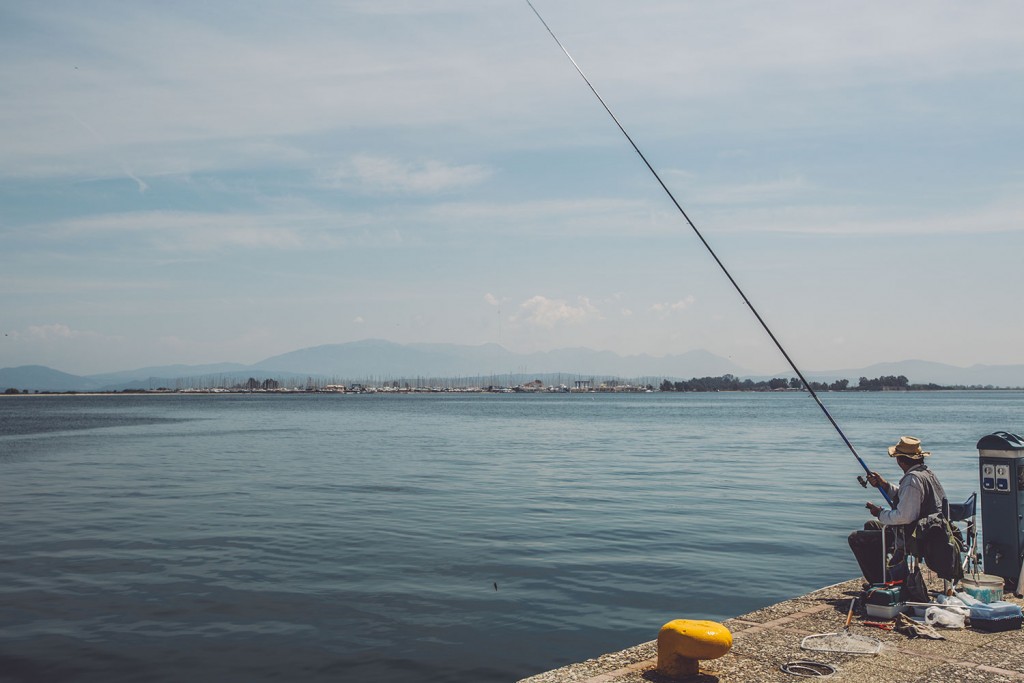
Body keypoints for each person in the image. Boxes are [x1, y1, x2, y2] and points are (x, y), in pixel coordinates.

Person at [848, 436, 947, 586]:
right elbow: (907, 496)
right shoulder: (926, 473)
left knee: (856, 538)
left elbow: (905, 516)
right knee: (871, 526)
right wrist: (884, 485)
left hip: (916, 536)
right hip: (929, 530)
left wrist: (880, 513)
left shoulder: (912, 480)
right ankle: (891, 572)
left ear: (900, 460)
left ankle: (881, 582)